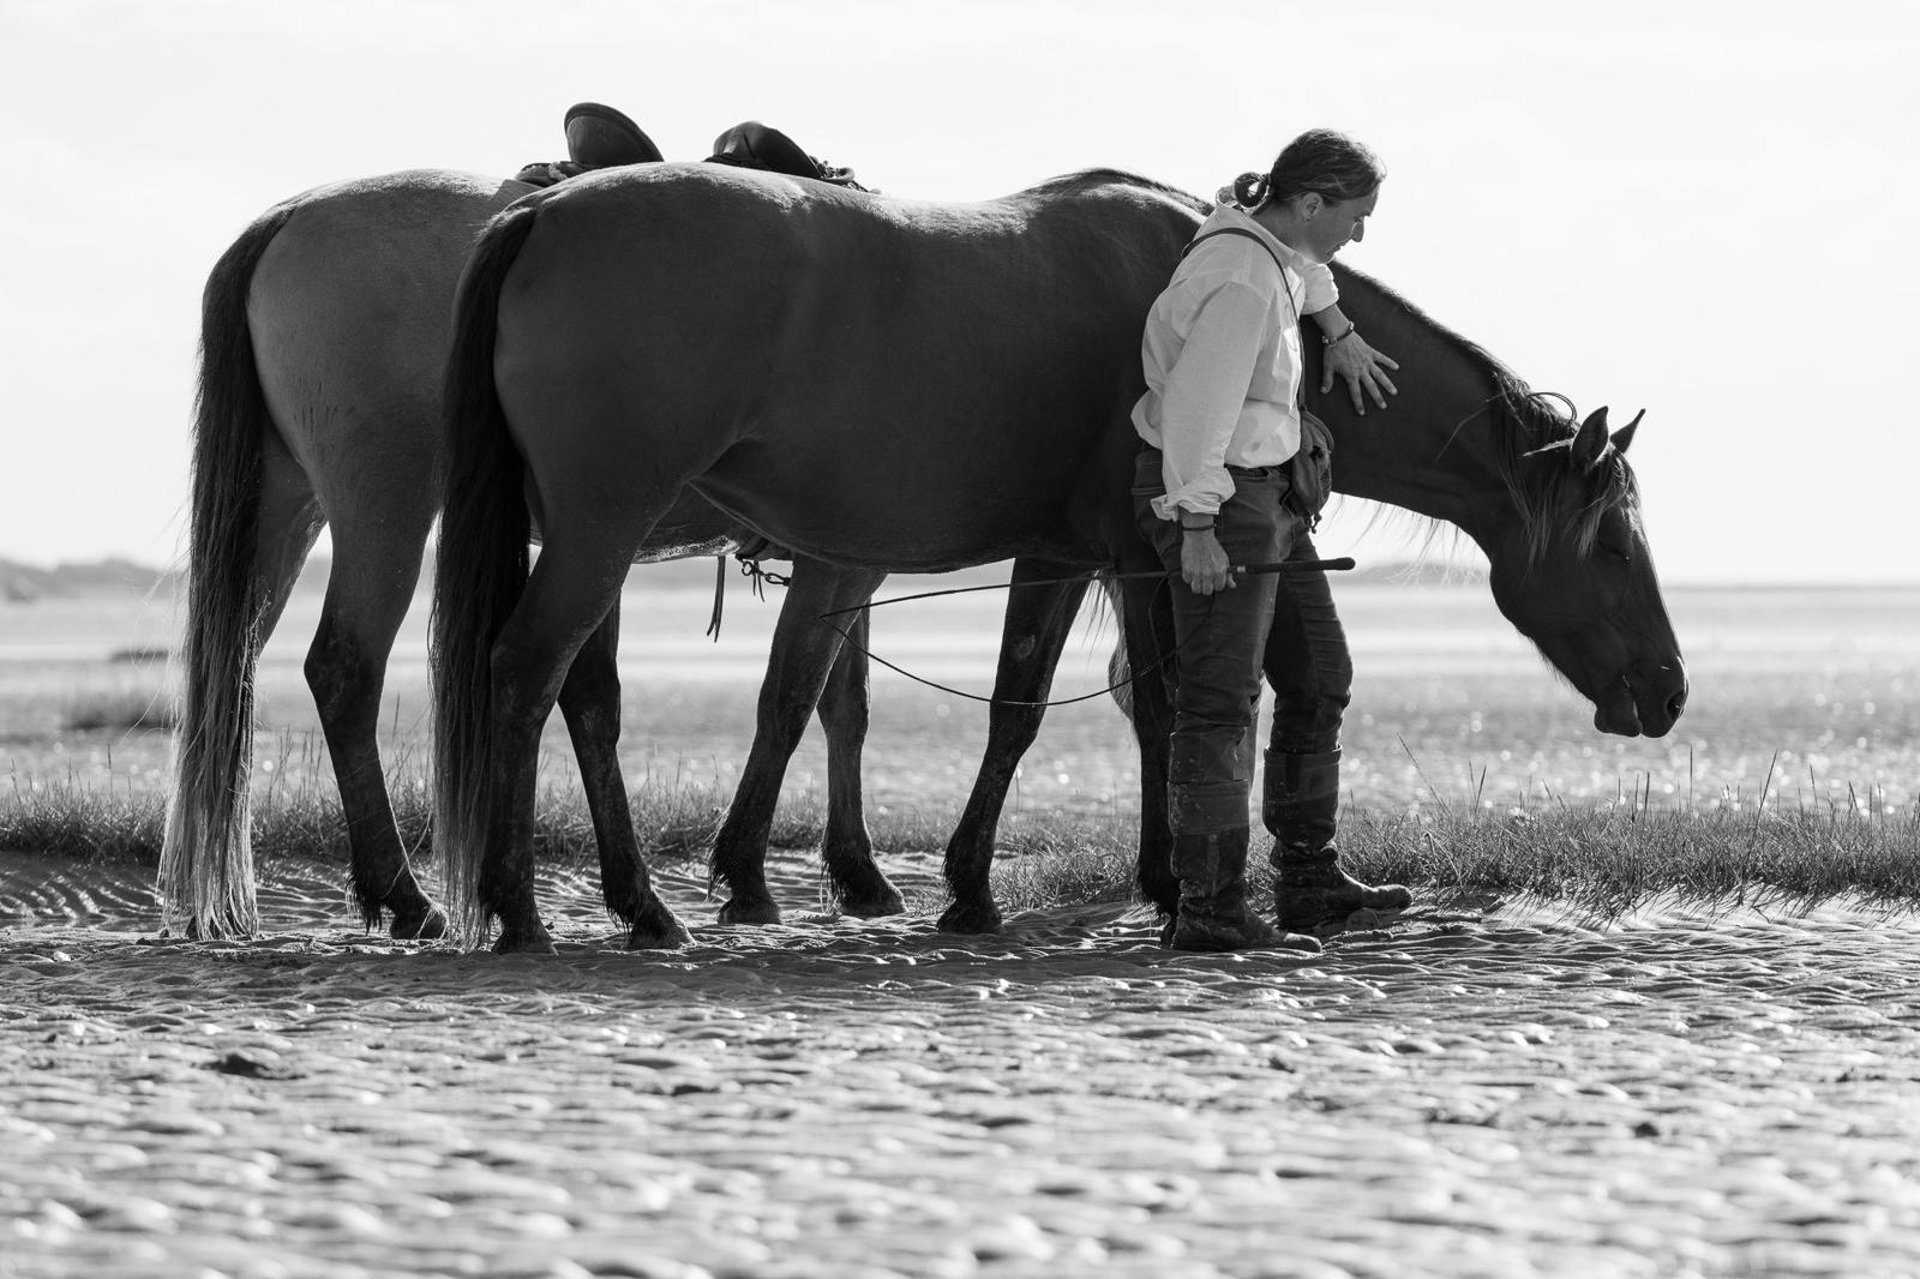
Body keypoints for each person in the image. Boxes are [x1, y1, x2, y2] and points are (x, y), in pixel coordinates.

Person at [1132, 128, 1413, 952]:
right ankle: (1211, 912)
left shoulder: (1270, 250)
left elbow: (1306, 268)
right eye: (1356, 215)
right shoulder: (1241, 279)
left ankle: (1309, 884)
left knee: (1320, 674)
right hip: (1221, 500)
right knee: (1219, 704)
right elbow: (1197, 409)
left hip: (1269, 496)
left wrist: (1338, 324)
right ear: (1312, 202)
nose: (1360, 233)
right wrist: (1196, 526)